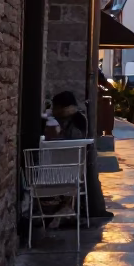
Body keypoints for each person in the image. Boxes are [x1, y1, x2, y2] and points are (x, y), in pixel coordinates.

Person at [49, 91, 112, 219]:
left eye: (55, 106)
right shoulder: (79, 118)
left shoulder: (68, 121)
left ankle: (64, 207)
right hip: (76, 166)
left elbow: (70, 144)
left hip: (65, 166)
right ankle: (65, 207)